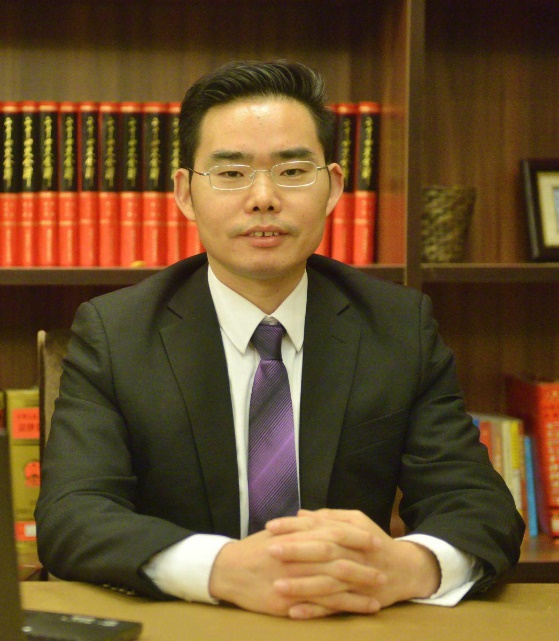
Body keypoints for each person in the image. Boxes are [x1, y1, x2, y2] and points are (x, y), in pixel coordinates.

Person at [36, 60, 524, 620]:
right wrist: (222, 569)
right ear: (186, 194)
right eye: (231, 172)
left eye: (292, 171)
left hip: (345, 621)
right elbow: (72, 516)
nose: (263, 198)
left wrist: (403, 566)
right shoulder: (115, 332)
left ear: (333, 187)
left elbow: (478, 505)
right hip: (184, 621)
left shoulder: (397, 327)